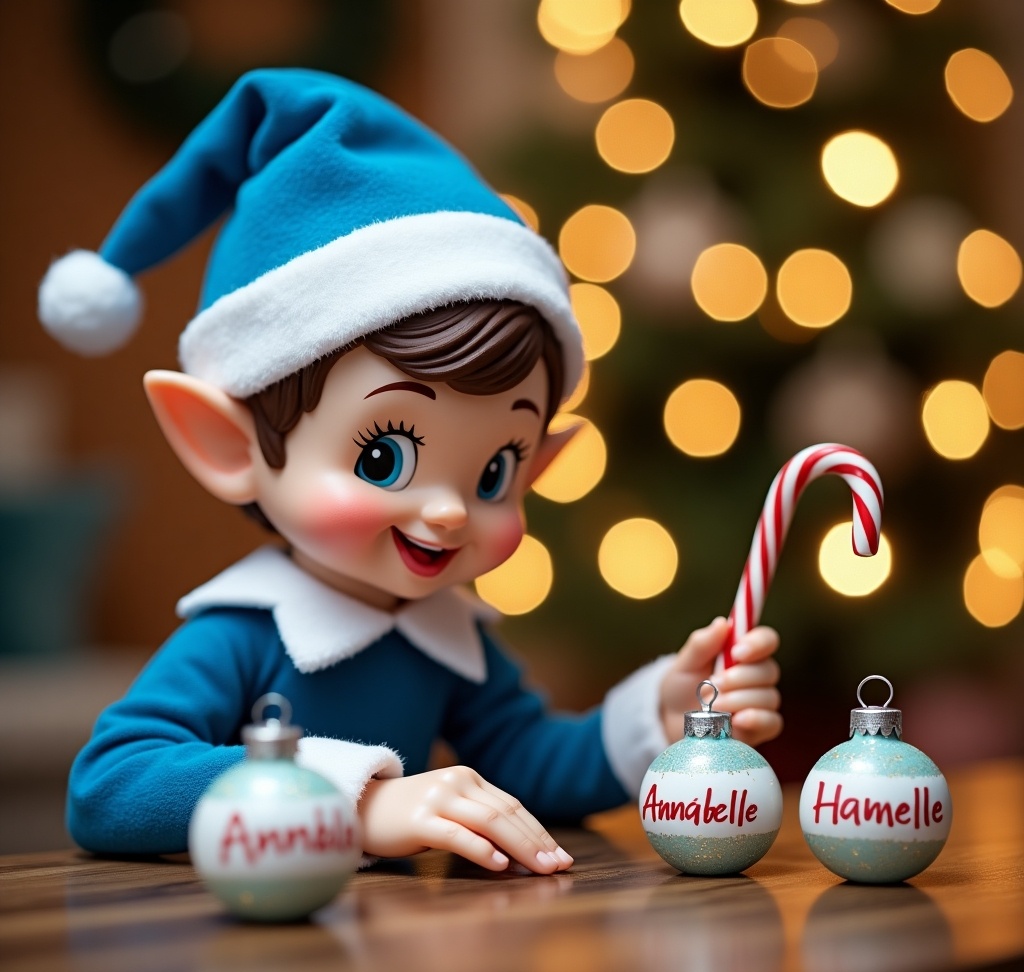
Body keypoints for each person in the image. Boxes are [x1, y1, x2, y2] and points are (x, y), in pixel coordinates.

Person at [39, 69, 781, 874]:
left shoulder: (445, 635)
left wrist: (660, 720)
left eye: (495, 471)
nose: (451, 512)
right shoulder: (246, 636)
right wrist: (353, 801)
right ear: (226, 443)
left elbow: (527, 762)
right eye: (383, 455)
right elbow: (110, 785)